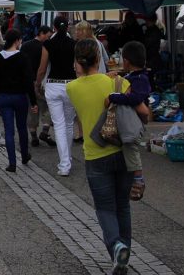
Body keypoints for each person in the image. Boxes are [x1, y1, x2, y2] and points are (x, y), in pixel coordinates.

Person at [66, 39, 133, 275]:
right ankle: (123, 251)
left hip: (95, 155)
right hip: (122, 152)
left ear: (78, 62)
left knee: (105, 209)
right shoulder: (119, 82)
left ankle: (117, 247)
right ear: (98, 59)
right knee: (122, 205)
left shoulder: (72, 88)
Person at [108, 41, 152, 201]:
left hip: (134, 122)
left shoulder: (141, 79)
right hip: (130, 120)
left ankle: (138, 180)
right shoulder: (133, 77)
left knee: (130, 145)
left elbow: (136, 99)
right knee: (126, 145)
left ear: (126, 61)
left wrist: (115, 97)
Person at [35, 16, 77, 177]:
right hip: (71, 84)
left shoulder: (48, 44)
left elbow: (42, 68)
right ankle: (68, 158)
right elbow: (78, 67)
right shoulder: (74, 44)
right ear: (67, 27)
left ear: (53, 27)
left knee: (58, 125)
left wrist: (37, 84)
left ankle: (64, 163)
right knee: (68, 124)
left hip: (53, 85)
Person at [0, 30, 37, 172]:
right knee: (22, 127)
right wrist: (33, 101)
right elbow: (29, 81)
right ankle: (24, 155)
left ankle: (12, 163)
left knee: (9, 131)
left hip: (4, 97)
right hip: (20, 97)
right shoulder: (23, 57)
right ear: (17, 41)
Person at [21, 25, 54, 147]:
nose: (48, 38)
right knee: (47, 107)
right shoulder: (46, 47)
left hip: (28, 81)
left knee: (32, 109)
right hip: (42, 81)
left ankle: (34, 136)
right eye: (48, 35)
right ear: (41, 33)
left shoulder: (25, 45)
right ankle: (45, 131)